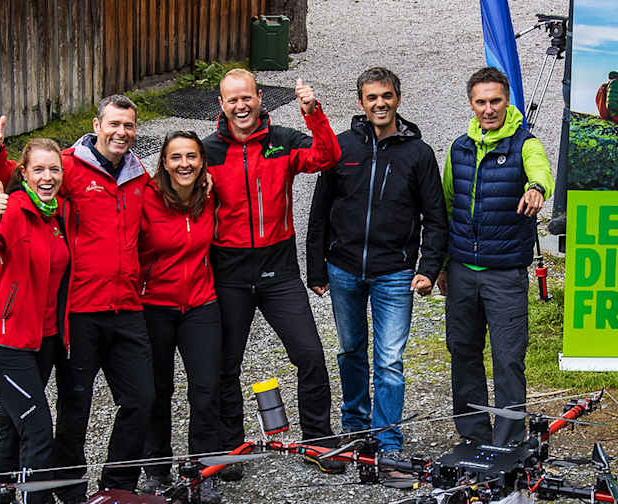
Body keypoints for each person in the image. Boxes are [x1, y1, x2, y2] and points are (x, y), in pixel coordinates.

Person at [0, 96, 155, 502]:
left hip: (126, 306)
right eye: (114, 124)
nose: (121, 132)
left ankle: (118, 488)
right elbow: (12, 178)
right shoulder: (70, 165)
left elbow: (149, 225)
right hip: (79, 311)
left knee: (142, 399)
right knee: (76, 406)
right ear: (97, 124)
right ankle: (70, 491)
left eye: (129, 125)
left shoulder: (137, 173)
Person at [306, 67, 448, 466]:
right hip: (344, 268)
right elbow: (319, 211)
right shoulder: (341, 147)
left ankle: (388, 441)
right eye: (372, 98)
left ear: (398, 99)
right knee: (351, 350)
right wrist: (316, 268)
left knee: (389, 360)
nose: (380, 104)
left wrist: (428, 266)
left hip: (395, 272)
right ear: (361, 103)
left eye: (386, 96)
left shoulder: (418, 154)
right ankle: (355, 426)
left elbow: (435, 218)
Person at [203, 69, 341, 472]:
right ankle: (231, 448)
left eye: (247, 97)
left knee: (311, 355)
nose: (241, 106)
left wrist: (313, 113)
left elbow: (326, 157)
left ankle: (318, 439)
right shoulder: (208, 150)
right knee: (226, 365)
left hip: (278, 269)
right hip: (228, 271)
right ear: (222, 105)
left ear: (260, 97)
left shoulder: (281, 141)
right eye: (233, 100)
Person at [439, 67, 554, 447]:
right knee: (463, 354)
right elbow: (446, 207)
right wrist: (440, 265)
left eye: (496, 101)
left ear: (507, 101)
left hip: (504, 273)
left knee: (507, 360)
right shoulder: (459, 148)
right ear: (471, 103)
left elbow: (541, 172)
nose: (489, 109)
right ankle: (473, 434)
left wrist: (536, 188)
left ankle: (507, 440)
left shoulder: (525, 144)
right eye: (481, 102)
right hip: (461, 273)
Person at [0, 138, 70, 504]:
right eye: (39, 169)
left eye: (54, 169)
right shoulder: (11, 209)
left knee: (11, 424)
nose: (47, 177)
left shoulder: (57, 216)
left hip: (41, 341)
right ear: (23, 174)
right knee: (38, 426)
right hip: (2, 342)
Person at [137, 131, 223, 504]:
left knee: (205, 390)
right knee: (158, 391)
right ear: (164, 163)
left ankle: (201, 471)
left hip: (201, 304)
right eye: (176, 157)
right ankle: (157, 471)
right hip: (155, 305)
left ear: (202, 161)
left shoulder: (208, 194)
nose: (184, 164)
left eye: (191, 156)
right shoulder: (148, 198)